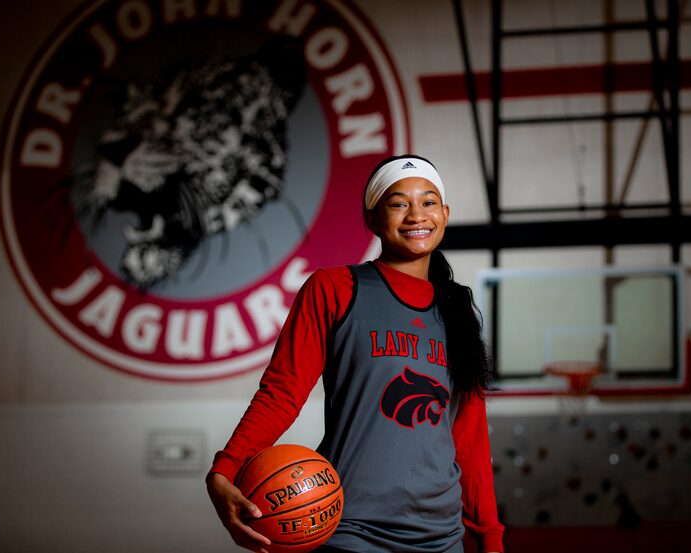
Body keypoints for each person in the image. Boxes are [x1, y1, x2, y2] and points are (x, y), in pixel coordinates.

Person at [207, 154, 504, 553]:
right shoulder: (335, 288)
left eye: (429, 202)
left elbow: (469, 437)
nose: (417, 214)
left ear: (445, 214)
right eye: (399, 203)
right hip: (351, 529)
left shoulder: (458, 312)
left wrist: (488, 537)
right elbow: (282, 393)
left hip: (441, 536)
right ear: (373, 219)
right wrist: (226, 467)